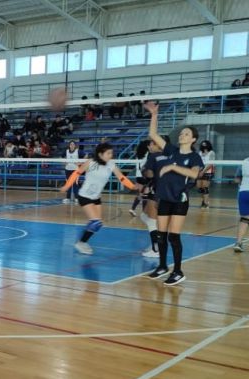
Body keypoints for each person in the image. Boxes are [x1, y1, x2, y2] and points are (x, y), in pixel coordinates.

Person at [144, 101, 203, 286]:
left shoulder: (194, 156)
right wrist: (154, 114)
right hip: (165, 197)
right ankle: (162, 266)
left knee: (174, 236)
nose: (182, 135)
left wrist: (172, 166)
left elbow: (194, 173)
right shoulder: (172, 150)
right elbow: (153, 134)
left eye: (186, 133)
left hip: (179, 199)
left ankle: (178, 271)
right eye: (182, 132)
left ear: (193, 139)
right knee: (161, 234)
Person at [60, 143, 137, 255]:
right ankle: (81, 242)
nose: (111, 155)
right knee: (95, 222)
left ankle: (82, 240)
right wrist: (67, 186)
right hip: (85, 196)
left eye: (111, 153)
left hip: (96, 197)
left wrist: (132, 186)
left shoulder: (111, 164)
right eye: (108, 153)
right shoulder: (90, 163)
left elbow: (122, 178)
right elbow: (76, 173)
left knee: (97, 223)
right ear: (100, 154)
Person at [197, 140, 215, 208]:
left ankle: (206, 203)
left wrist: (203, 171)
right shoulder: (200, 153)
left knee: (205, 187)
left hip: (208, 171)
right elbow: (198, 162)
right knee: (199, 188)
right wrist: (199, 170)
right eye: (202, 144)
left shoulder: (211, 153)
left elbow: (210, 164)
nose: (204, 146)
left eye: (205, 144)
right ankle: (203, 200)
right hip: (200, 171)